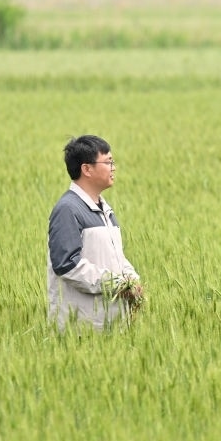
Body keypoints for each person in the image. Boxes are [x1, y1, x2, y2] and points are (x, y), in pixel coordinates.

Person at [47, 135, 141, 331]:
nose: (114, 167)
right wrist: (118, 285)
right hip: (80, 329)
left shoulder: (105, 210)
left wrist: (132, 280)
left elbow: (116, 258)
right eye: (108, 162)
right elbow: (67, 265)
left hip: (111, 325)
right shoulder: (68, 210)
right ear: (87, 169)